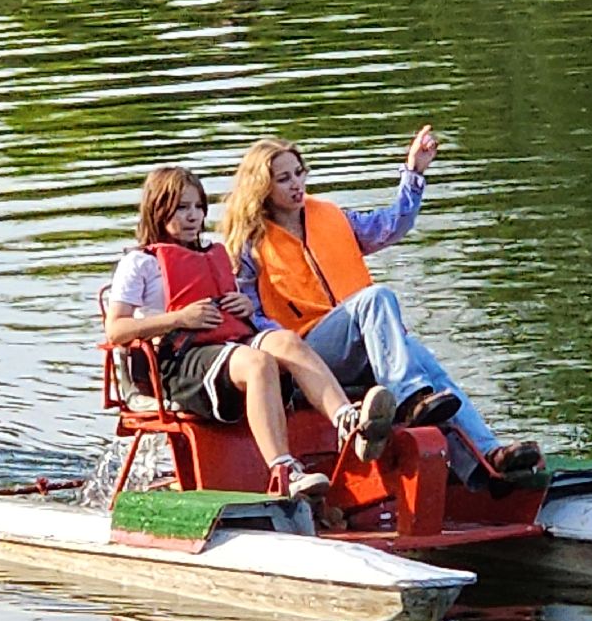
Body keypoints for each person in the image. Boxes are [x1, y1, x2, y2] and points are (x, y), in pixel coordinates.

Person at [219, 127, 541, 488]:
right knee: (377, 298)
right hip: (306, 358)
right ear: (262, 187)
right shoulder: (249, 245)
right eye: (283, 179)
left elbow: (392, 225)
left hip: (358, 348)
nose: (296, 184)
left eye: (299, 173)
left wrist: (414, 173)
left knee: (420, 357)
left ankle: (485, 460)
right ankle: (408, 397)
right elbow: (252, 319)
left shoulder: (331, 216)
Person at [104, 166, 396, 500]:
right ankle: (284, 470)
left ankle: (348, 422)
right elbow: (116, 330)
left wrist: (244, 307)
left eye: (198, 207)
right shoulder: (139, 263)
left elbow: (239, 313)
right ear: (158, 209)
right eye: (182, 208)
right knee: (258, 363)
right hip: (182, 362)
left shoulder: (212, 254)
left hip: (228, 344)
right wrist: (178, 318)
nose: (193, 217)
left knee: (287, 341)